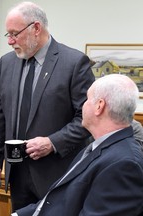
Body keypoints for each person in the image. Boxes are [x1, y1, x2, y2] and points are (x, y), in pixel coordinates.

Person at [0, 1, 95, 211]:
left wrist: (52, 142)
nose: (10, 41)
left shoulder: (74, 62)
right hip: (17, 173)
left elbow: (87, 118)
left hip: (57, 173)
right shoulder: (6, 63)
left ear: (36, 28)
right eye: (7, 34)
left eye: (14, 33)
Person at [14, 74, 143, 216]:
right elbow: (57, 201)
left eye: (87, 99)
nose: (83, 105)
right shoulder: (96, 147)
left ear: (99, 106)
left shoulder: (124, 164)